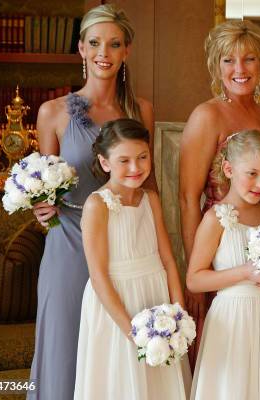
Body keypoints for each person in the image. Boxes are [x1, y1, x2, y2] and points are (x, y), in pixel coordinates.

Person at [28, 5, 155, 399]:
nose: (104, 52)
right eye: (95, 43)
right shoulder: (52, 113)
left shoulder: (141, 111)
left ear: (126, 51)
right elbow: (40, 188)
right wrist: (40, 210)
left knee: (116, 348)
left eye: (114, 44)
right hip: (68, 243)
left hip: (124, 246)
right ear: (81, 48)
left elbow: (148, 187)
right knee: (65, 345)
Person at [178, 20, 260, 367]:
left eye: (249, 60)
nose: (239, 70)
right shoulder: (207, 115)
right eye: (228, 61)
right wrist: (199, 272)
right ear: (216, 66)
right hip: (220, 245)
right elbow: (188, 198)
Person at [74, 119, 188, 399]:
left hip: (155, 295)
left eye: (142, 157)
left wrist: (177, 311)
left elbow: (168, 259)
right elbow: (98, 276)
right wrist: (134, 333)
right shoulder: (97, 205)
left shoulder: (150, 199)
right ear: (105, 162)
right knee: (122, 378)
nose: (136, 168)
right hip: (118, 304)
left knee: (158, 382)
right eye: (124, 160)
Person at [187, 130, 260, 400]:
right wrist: (244, 272)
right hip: (232, 318)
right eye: (252, 173)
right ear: (229, 169)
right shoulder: (216, 219)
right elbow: (194, 279)